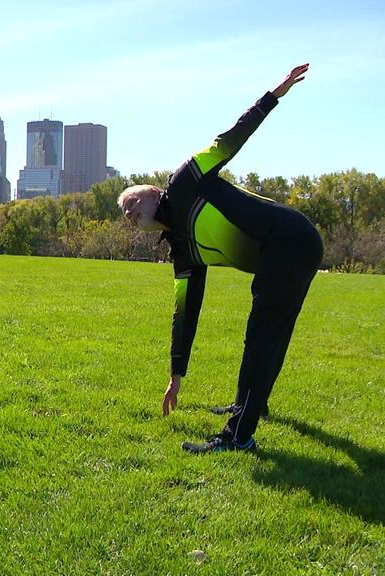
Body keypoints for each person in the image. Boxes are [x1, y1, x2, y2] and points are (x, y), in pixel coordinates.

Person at [118, 64, 323, 453]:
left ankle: (237, 437)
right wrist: (177, 374)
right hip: (287, 250)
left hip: (290, 239)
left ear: (152, 192)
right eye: (124, 214)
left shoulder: (185, 181)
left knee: (262, 333)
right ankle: (251, 405)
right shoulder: (182, 248)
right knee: (270, 332)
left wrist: (273, 96)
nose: (129, 213)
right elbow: (186, 311)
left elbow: (229, 140)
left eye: (132, 202)